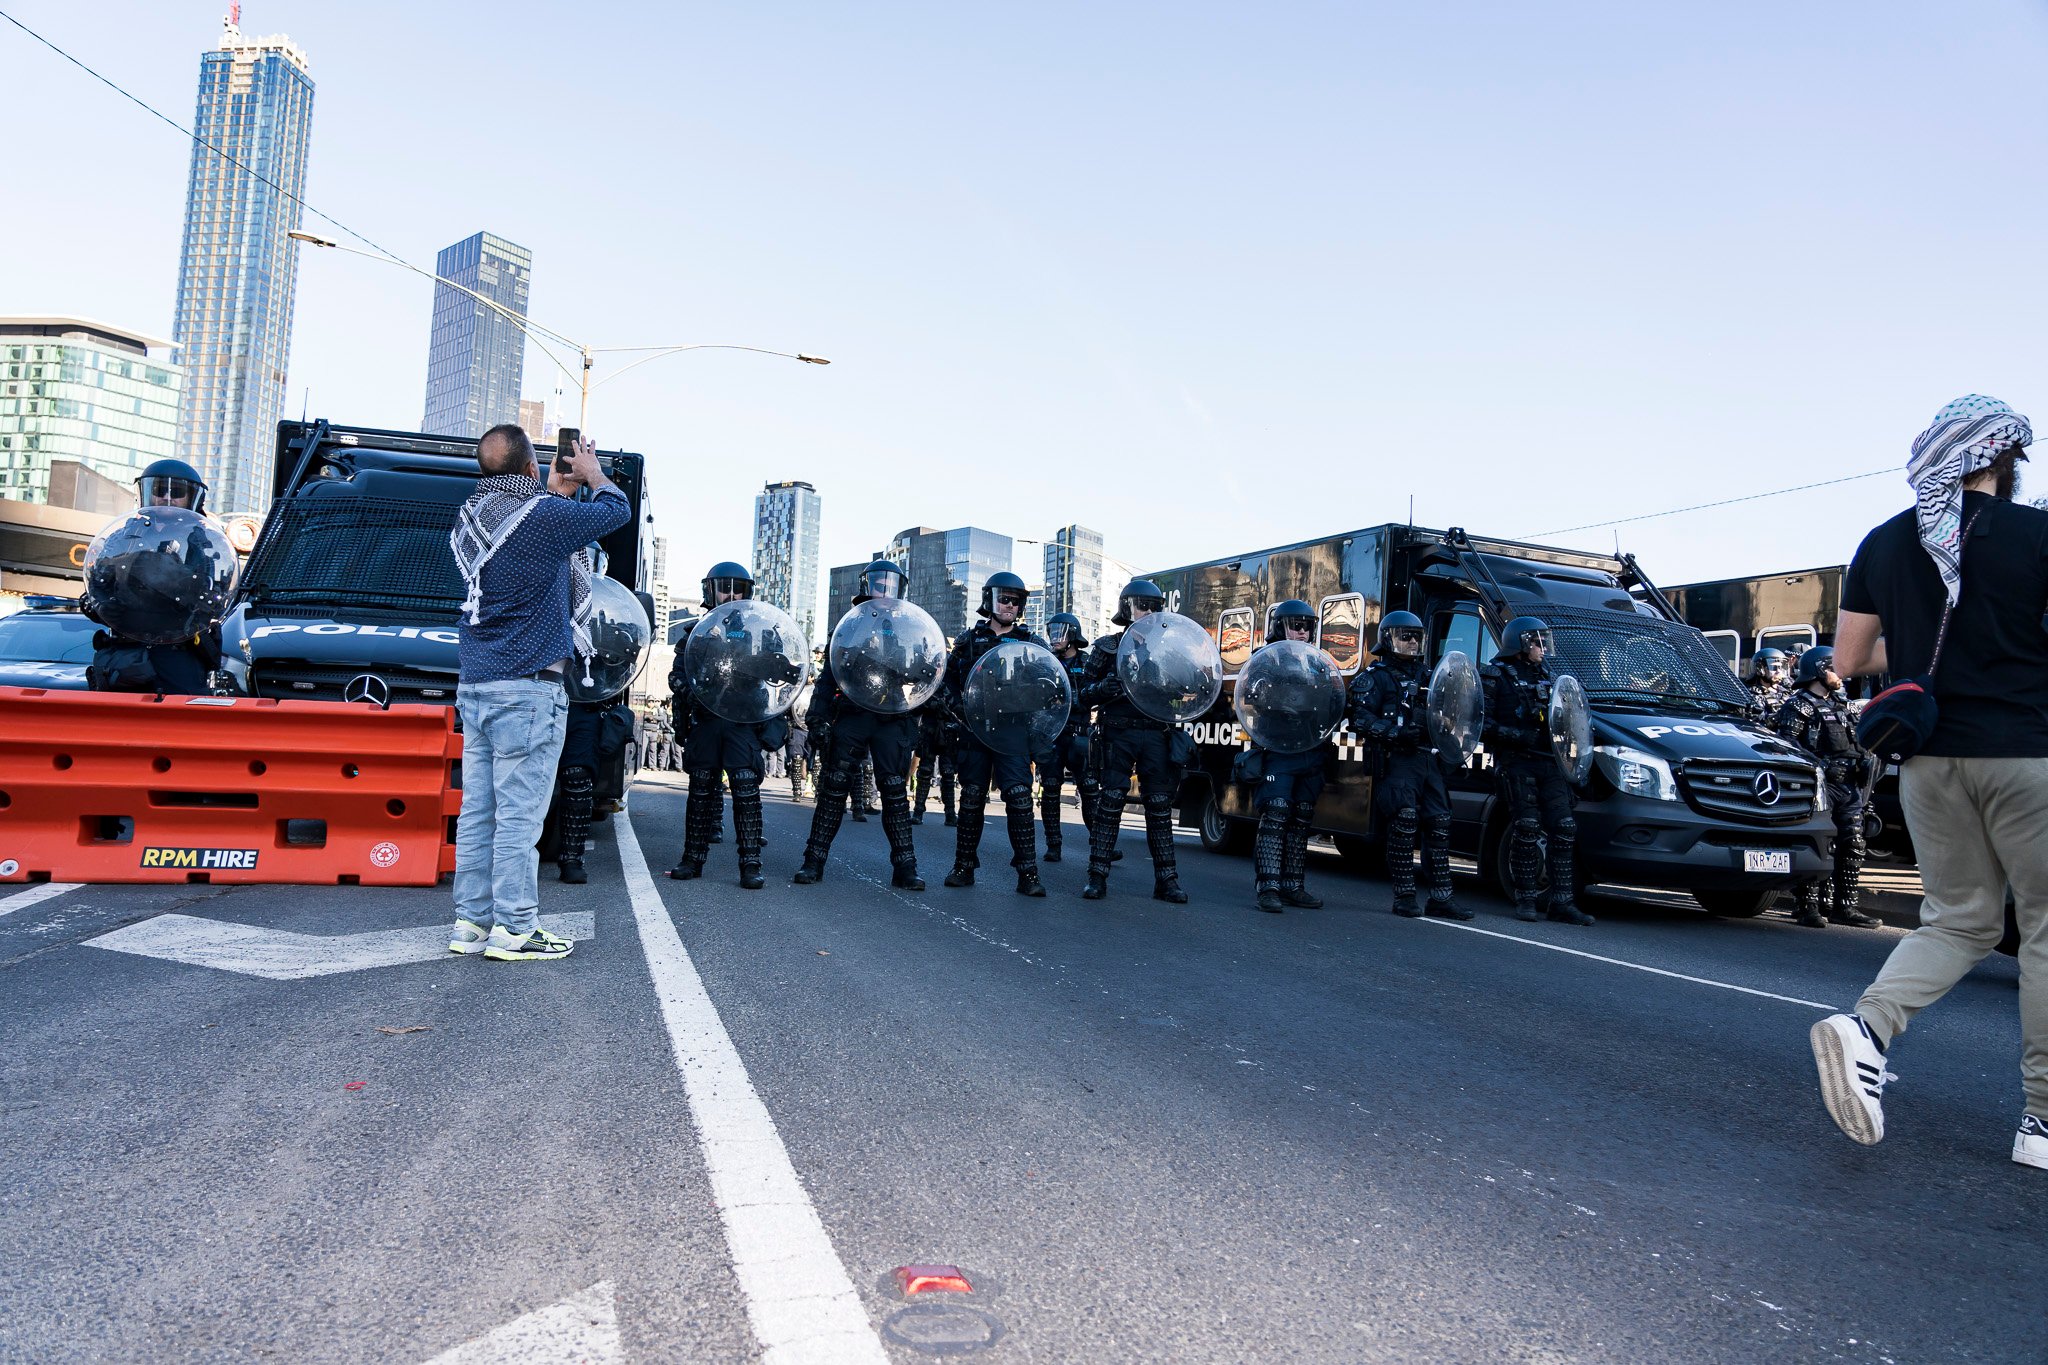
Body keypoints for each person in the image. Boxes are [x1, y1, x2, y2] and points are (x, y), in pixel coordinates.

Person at [1811, 394, 2048, 1170]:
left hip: (1930, 760)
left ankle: (1869, 1029)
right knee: (2042, 930)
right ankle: (2041, 1122)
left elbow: (1847, 662)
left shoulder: (1885, 540)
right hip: (2025, 755)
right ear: (2001, 458)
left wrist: (1917, 649)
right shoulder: (2037, 534)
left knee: (1958, 921)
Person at [447, 426, 628, 962]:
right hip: (527, 689)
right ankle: (516, 929)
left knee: (478, 814)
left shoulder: (472, 519)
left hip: (477, 686)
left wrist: (556, 493)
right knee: (520, 819)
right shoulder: (541, 519)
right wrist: (593, 476)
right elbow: (614, 513)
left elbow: (530, 538)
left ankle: (471, 924)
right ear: (529, 469)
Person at [792, 560, 925, 890]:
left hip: (892, 715)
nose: (884, 588)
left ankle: (905, 868)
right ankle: (814, 861)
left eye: (890, 583)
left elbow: (922, 672)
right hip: (852, 713)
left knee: (895, 791)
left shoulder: (909, 627)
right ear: (868, 585)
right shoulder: (850, 626)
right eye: (879, 582)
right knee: (834, 786)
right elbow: (829, 677)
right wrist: (817, 718)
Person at [667, 562, 785, 890]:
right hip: (706, 721)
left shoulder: (762, 633)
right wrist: (694, 689)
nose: (731, 594)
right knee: (701, 790)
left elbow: (775, 676)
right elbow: (677, 675)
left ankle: (750, 864)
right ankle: (692, 858)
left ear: (746, 593)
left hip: (742, 722)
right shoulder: (697, 633)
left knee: (746, 790)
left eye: (737, 588)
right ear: (712, 590)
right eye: (725, 587)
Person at [1350, 610, 1472, 920]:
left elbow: (1452, 711)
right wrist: (1395, 733)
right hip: (1396, 758)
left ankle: (1441, 897)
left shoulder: (1431, 676)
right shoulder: (1375, 676)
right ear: (1389, 639)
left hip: (1426, 757)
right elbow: (1359, 719)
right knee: (1404, 823)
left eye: (1417, 636)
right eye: (1406, 635)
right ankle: (1404, 896)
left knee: (1440, 822)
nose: (1413, 641)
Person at [1078, 578, 1188, 904]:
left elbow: (1182, 692)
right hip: (1118, 732)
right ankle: (1097, 876)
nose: (1148, 612)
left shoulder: (1168, 649)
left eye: (1154, 606)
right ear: (1128, 607)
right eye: (1143, 605)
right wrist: (1102, 690)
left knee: (1158, 806)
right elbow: (1080, 696)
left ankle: (1166, 880)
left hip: (1156, 733)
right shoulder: (1107, 647)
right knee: (1110, 800)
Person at [1482, 615, 1595, 926]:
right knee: (1528, 827)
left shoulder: (1551, 676)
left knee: (1565, 827)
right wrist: (1518, 735)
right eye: (1537, 642)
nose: (1543, 648)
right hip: (1518, 763)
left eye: (1545, 642)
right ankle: (1526, 899)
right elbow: (1481, 723)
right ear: (1520, 644)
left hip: (1551, 762)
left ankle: (1562, 901)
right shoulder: (1495, 676)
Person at [941, 571, 1048, 896]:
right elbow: (945, 682)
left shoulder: (1032, 643)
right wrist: (958, 708)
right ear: (990, 600)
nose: (1009, 606)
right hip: (976, 729)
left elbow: (1050, 685)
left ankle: (1027, 874)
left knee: (1018, 800)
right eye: (1004, 598)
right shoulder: (968, 641)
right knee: (972, 798)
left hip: (1013, 731)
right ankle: (963, 866)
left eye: (1015, 601)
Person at [82, 459, 224, 695]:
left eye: (177, 492)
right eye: (160, 490)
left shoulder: (204, 541)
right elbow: (100, 584)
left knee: (181, 722)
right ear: (146, 492)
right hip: (127, 654)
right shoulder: (122, 537)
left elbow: (212, 592)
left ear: (192, 497)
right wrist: (96, 605)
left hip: (179, 652)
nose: (167, 497)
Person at [1772, 647, 1882, 930]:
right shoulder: (1799, 706)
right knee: (1818, 843)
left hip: (1850, 785)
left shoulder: (1842, 706)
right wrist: (1818, 766)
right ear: (1819, 671)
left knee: (1853, 844)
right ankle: (1806, 905)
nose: (1841, 675)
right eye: (1835, 668)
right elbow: (1787, 747)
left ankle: (1845, 907)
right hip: (1820, 786)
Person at [1239, 601, 1338, 914]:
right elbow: (1250, 696)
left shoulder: (1318, 662)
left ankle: (1293, 885)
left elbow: (1333, 699)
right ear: (1281, 626)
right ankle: (1268, 886)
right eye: (1296, 625)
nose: (1303, 631)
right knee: (1277, 812)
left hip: (1310, 748)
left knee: (1302, 818)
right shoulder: (1266, 659)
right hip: (1278, 749)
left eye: (1307, 625)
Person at [1037, 611, 1102, 863]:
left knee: (1089, 790)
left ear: (1072, 635)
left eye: (1059, 633)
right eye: (1051, 632)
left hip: (1079, 734)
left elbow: (1096, 694)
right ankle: (1053, 845)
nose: (1054, 638)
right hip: (1052, 735)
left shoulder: (1087, 664)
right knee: (1051, 789)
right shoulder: (1046, 662)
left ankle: (1099, 843)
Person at [911, 703, 959, 826]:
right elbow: (917, 704)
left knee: (948, 773)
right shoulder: (929, 683)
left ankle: (950, 813)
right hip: (929, 728)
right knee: (925, 771)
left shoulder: (952, 684)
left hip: (948, 729)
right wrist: (928, 704)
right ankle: (918, 811)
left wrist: (952, 705)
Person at [1746, 647, 1789, 721]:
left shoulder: (1788, 692)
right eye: (1773, 667)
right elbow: (1756, 721)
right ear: (1760, 669)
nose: (1778, 671)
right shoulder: (1753, 695)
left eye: (1781, 667)